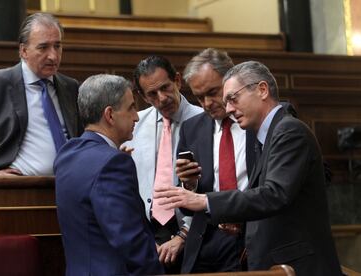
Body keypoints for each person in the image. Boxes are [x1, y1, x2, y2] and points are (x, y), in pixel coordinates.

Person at [155, 61, 342, 275]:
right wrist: (242, 224)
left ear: (262, 90)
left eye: (233, 99)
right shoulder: (266, 136)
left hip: (296, 264)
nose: (229, 109)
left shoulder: (288, 131)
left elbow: (274, 195)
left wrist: (204, 200)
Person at [0, 12, 81, 176]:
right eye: (43, 47)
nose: (53, 56)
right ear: (23, 51)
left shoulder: (70, 87)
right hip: (16, 190)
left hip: (70, 186)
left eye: (57, 46)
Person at [54, 74, 163, 276]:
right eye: (131, 107)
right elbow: (129, 239)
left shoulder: (67, 154)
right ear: (110, 115)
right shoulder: (113, 163)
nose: (137, 116)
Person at [174, 48, 255, 273]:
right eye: (199, 97)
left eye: (213, 92)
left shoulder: (259, 119)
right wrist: (189, 184)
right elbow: (187, 205)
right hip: (206, 238)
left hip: (253, 233)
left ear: (231, 80)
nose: (207, 103)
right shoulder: (192, 128)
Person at [125, 55, 202, 272]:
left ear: (177, 80)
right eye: (152, 94)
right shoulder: (134, 126)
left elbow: (215, 188)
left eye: (165, 87)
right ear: (142, 96)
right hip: (148, 239)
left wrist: (183, 236)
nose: (162, 98)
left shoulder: (205, 121)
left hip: (194, 234)